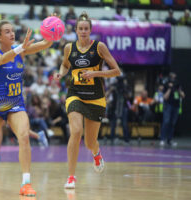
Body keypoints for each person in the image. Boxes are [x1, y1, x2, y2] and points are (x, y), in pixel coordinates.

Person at [0, 19, 53, 197]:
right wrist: (20, 48)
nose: (12, 34)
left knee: (24, 137)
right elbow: (4, 58)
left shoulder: (21, 50)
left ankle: (26, 183)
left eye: (12, 31)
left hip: (16, 104)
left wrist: (53, 28)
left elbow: (46, 44)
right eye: (7, 31)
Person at [54, 12, 121, 189]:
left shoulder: (100, 47)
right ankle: (71, 177)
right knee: (75, 132)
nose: (83, 31)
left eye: (86, 29)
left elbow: (116, 71)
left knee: (90, 142)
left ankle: (96, 153)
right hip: (75, 94)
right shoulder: (69, 48)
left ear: (90, 30)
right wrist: (61, 72)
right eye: (80, 28)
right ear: (75, 30)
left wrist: (95, 73)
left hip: (96, 97)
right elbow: (65, 65)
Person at [160, 72, 185, 147]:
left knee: (172, 123)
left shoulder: (178, 84)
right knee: (166, 122)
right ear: (170, 76)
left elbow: (183, 96)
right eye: (172, 76)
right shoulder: (166, 84)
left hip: (176, 106)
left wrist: (179, 90)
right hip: (168, 105)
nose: (174, 77)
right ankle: (162, 139)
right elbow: (165, 97)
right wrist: (170, 88)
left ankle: (169, 140)